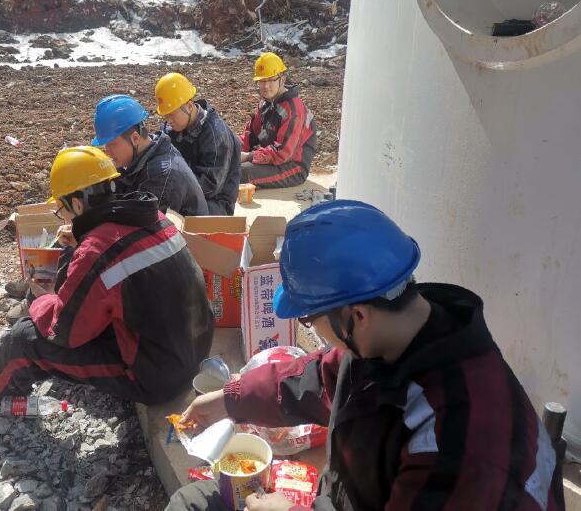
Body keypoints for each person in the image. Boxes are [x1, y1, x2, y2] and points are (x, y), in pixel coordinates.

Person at [167, 200, 564, 511]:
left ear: (356, 315)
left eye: (308, 319)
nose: (312, 332)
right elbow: (313, 379)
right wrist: (229, 400)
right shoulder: (391, 341)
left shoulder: (459, 445)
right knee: (193, 502)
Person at [0, 146, 214, 406]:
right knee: (78, 283)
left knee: (22, 337)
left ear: (77, 203)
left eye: (61, 210)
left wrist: (43, 297)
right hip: (193, 351)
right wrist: (81, 243)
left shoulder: (99, 249)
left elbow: (64, 332)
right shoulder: (153, 217)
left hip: (156, 379)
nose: (63, 217)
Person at [92, 94, 208, 216]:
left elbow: (141, 225)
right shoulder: (145, 156)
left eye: (112, 144)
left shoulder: (161, 176)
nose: (107, 152)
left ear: (135, 139)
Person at [156, 72, 241, 215]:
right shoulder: (175, 127)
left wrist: (173, 186)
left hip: (216, 204)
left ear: (189, 106)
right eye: (165, 116)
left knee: (168, 212)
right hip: (187, 190)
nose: (168, 121)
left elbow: (210, 186)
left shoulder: (215, 135)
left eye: (171, 114)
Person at [240, 52, 317, 189]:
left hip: (293, 168)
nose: (266, 86)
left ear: (282, 78)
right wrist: (233, 150)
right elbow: (251, 135)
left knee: (240, 173)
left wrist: (248, 156)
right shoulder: (265, 103)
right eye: (262, 81)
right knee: (227, 163)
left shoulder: (293, 110)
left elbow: (282, 153)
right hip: (272, 160)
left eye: (271, 80)